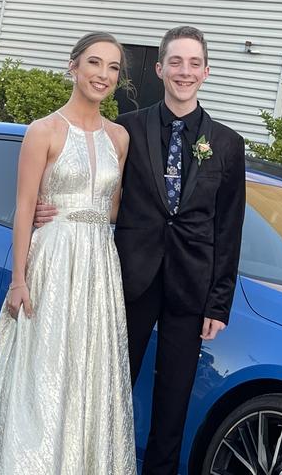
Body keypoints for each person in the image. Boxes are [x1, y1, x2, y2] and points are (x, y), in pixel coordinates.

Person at [36, 26, 246, 475]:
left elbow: (229, 228)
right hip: (128, 278)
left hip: (191, 287)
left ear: (206, 72)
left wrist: (219, 302)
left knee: (173, 400)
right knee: (109, 387)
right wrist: (49, 206)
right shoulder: (126, 129)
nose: (184, 72)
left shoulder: (227, 145)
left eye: (193, 63)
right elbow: (93, 187)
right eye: (175, 62)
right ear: (160, 68)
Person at [0, 32, 137, 475]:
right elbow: (23, 209)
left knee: (88, 375)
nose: (103, 75)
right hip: (53, 261)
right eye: (94, 63)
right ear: (73, 66)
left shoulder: (120, 138)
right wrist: (18, 279)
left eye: (113, 68)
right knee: (43, 373)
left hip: (99, 266)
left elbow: (113, 209)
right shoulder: (44, 131)